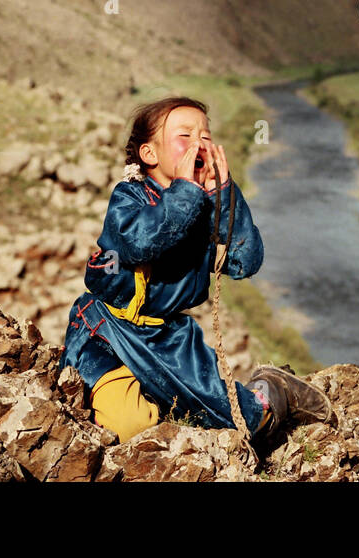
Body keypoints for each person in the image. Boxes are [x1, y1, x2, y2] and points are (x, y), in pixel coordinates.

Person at [58, 95, 331, 449]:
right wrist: (188, 191)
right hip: (107, 334)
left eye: (205, 135)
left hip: (170, 340)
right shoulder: (129, 198)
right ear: (149, 155)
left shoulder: (205, 206)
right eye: (184, 136)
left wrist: (221, 194)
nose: (199, 143)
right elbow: (142, 243)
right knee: (128, 428)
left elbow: (245, 262)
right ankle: (145, 397)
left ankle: (272, 389)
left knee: (245, 424)